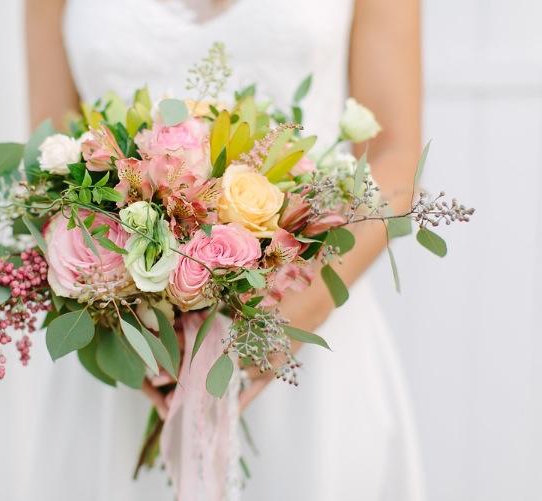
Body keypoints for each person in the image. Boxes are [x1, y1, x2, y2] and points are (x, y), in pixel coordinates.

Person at [24, 0, 424, 499]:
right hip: (128, 349)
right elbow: (48, 161)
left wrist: (304, 307)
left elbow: (396, 158)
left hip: (303, 339)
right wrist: (120, 310)